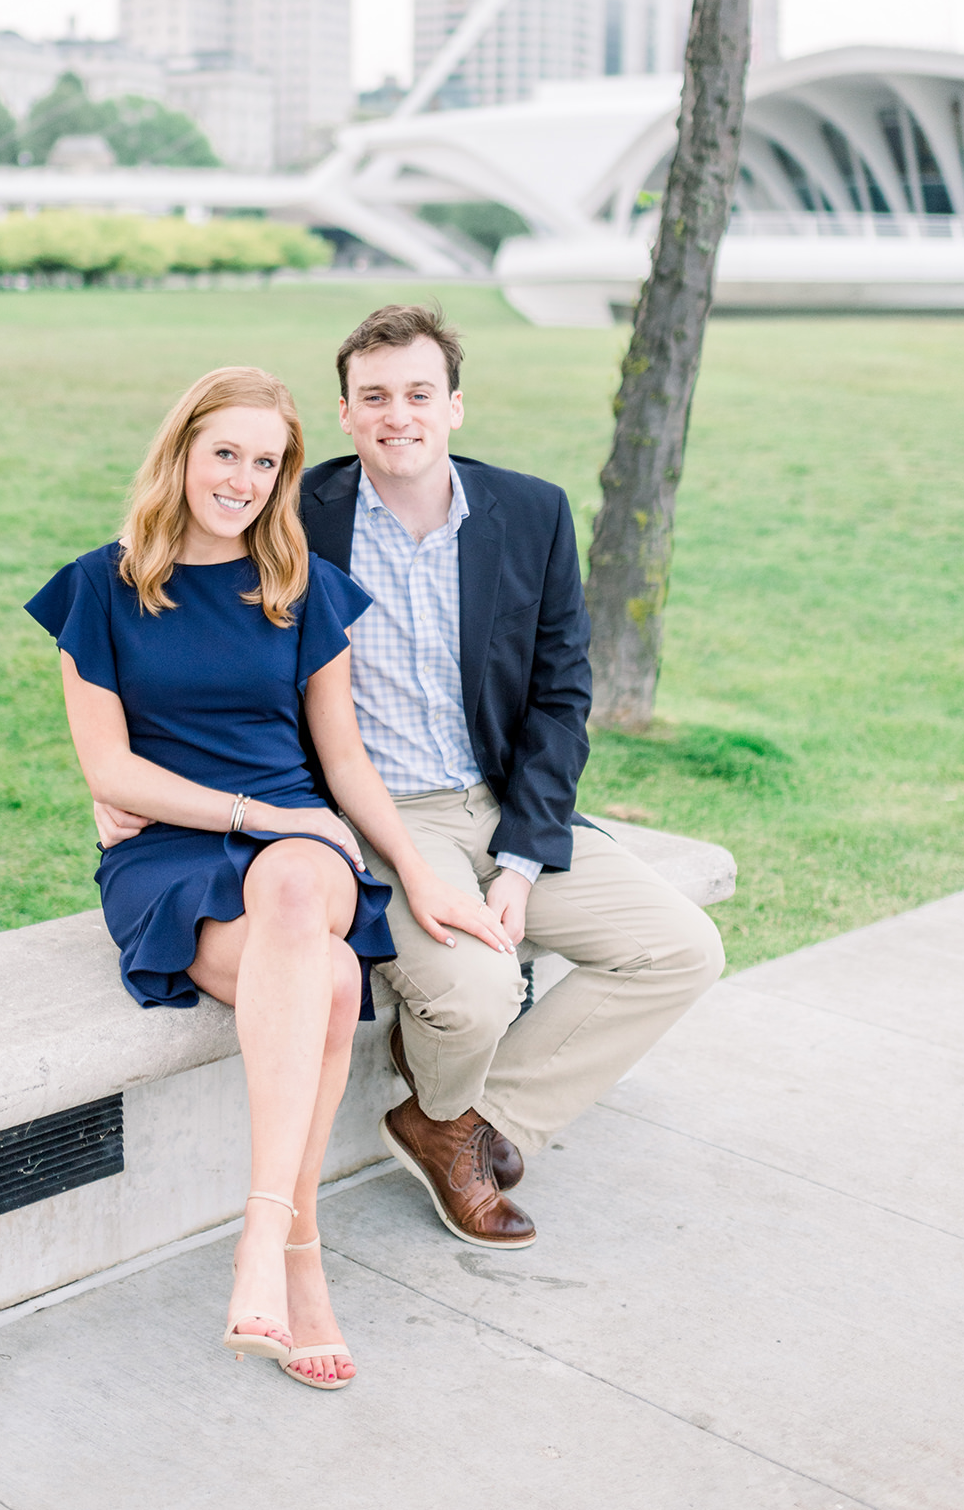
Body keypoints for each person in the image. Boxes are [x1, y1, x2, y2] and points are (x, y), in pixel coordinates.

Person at [27, 365, 514, 1387]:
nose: (243, 479)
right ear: (181, 454)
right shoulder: (98, 588)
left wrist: (418, 870)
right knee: (332, 985)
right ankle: (301, 1257)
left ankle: (256, 1238)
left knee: (296, 889)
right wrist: (256, 812)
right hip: (170, 854)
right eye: (226, 454)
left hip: (303, 853)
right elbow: (110, 771)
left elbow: (343, 764)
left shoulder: (303, 592)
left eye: (266, 461)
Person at [298, 303, 726, 1249]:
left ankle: (462, 1125)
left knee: (682, 949)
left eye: (418, 393)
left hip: (503, 806)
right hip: (383, 817)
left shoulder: (530, 512)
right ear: (344, 413)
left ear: (455, 406)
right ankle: (451, 1112)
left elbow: (559, 698)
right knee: (476, 993)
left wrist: (525, 863)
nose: (395, 415)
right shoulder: (299, 518)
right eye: (373, 397)